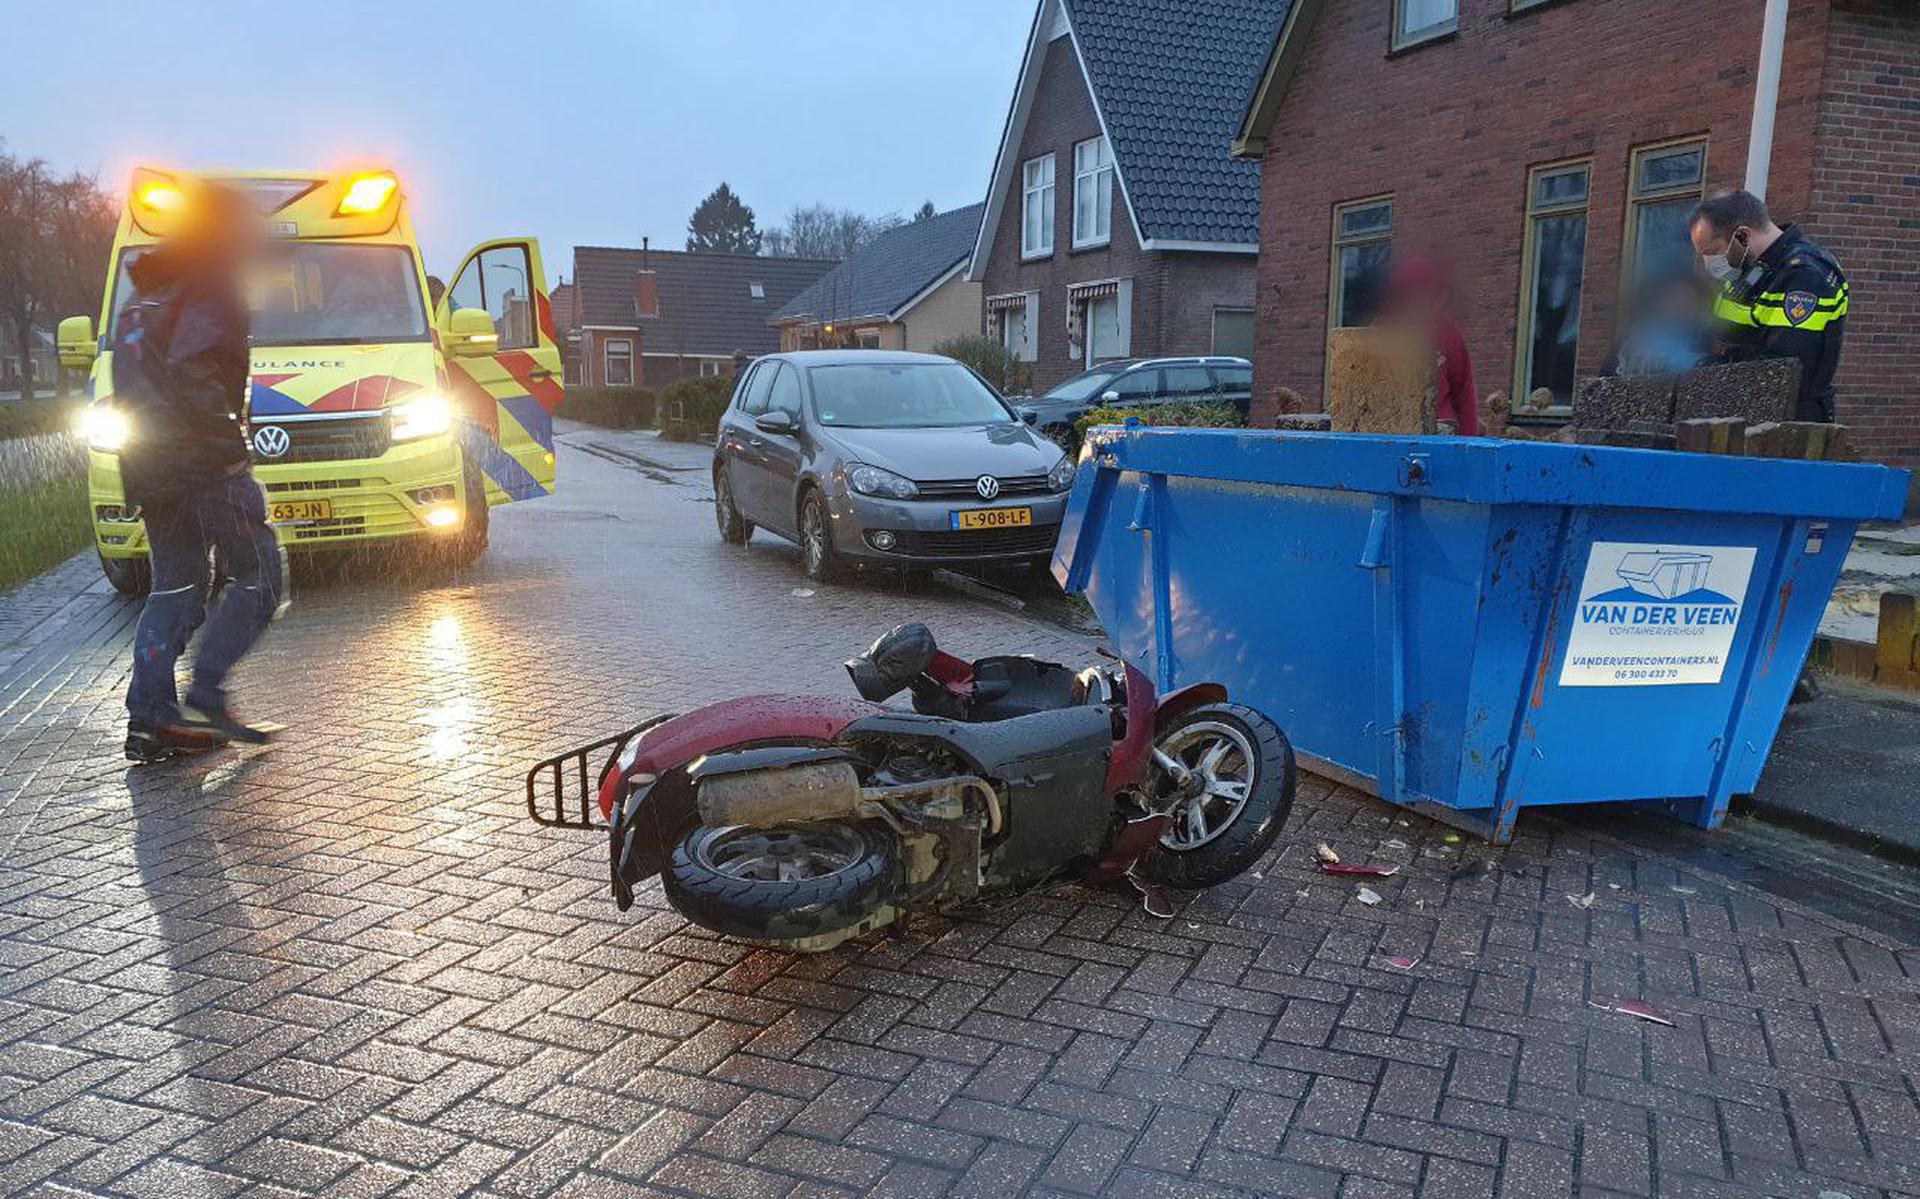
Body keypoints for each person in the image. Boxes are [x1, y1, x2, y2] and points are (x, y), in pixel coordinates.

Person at [112, 182, 284, 762]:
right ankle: (208, 694)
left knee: (178, 587)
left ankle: (153, 716)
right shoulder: (210, 280)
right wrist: (227, 446)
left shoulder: (143, 297)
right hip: (204, 464)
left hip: (151, 467)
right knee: (259, 576)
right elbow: (191, 368)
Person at [1689, 189, 1848, 422]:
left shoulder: (1804, 276)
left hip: (1789, 424)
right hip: (1738, 413)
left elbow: (1786, 368)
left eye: (1713, 252)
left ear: (1742, 236)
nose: (1708, 263)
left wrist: (1708, 364)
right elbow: (1717, 333)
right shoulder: (1746, 270)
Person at [1377, 253, 1478, 435]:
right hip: (1394, 431)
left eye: (1427, 294)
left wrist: (1469, 443)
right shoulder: (1384, 332)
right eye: (1413, 294)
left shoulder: (1448, 333)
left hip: (1442, 430)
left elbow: (1464, 392)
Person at [1600, 269, 1710, 378]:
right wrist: (1700, 363)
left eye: (1690, 300)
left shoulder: (1703, 336)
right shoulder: (1637, 340)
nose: (1683, 306)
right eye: (1677, 298)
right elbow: (1653, 361)